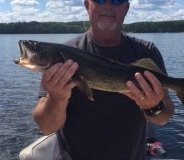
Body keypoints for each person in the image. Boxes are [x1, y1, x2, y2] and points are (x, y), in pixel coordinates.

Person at [33, 0, 174, 159]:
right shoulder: (64, 58)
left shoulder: (147, 53)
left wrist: (153, 106)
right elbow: (46, 127)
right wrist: (56, 99)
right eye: (100, 0)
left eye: (116, 0)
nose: (108, 5)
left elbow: (164, 118)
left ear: (126, 8)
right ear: (87, 5)